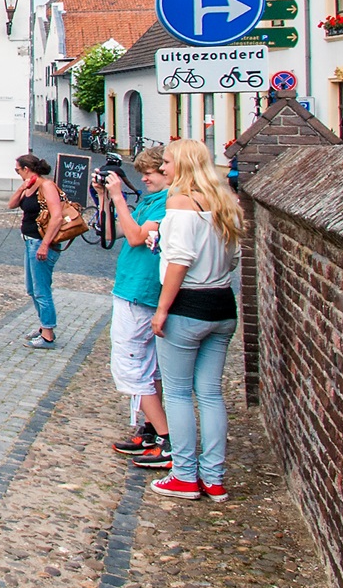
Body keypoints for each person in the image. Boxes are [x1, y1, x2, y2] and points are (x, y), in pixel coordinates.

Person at [146, 139, 244, 503]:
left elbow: (179, 262)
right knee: (211, 393)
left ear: (184, 165)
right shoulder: (226, 204)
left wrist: (162, 310)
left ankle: (185, 475)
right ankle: (214, 477)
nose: (165, 167)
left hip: (187, 305)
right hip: (222, 303)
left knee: (177, 394)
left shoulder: (181, 203)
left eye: (168, 162)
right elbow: (232, 260)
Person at [98, 147, 173, 469]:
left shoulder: (170, 202)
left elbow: (134, 238)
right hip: (131, 287)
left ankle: (167, 439)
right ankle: (152, 428)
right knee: (146, 368)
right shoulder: (149, 200)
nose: (143, 178)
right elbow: (111, 234)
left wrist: (116, 196)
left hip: (141, 292)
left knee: (131, 367)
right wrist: (104, 198)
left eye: (151, 172)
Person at [8, 154, 65, 348]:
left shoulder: (46, 186)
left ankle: (48, 334)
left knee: (41, 290)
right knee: (32, 289)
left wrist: (45, 244)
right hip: (29, 242)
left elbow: (56, 217)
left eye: (18, 170)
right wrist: (23, 187)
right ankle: (44, 326)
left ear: (26, 169)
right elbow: (12, 205)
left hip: (40, 243)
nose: (17, 174)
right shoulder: (29, 186)